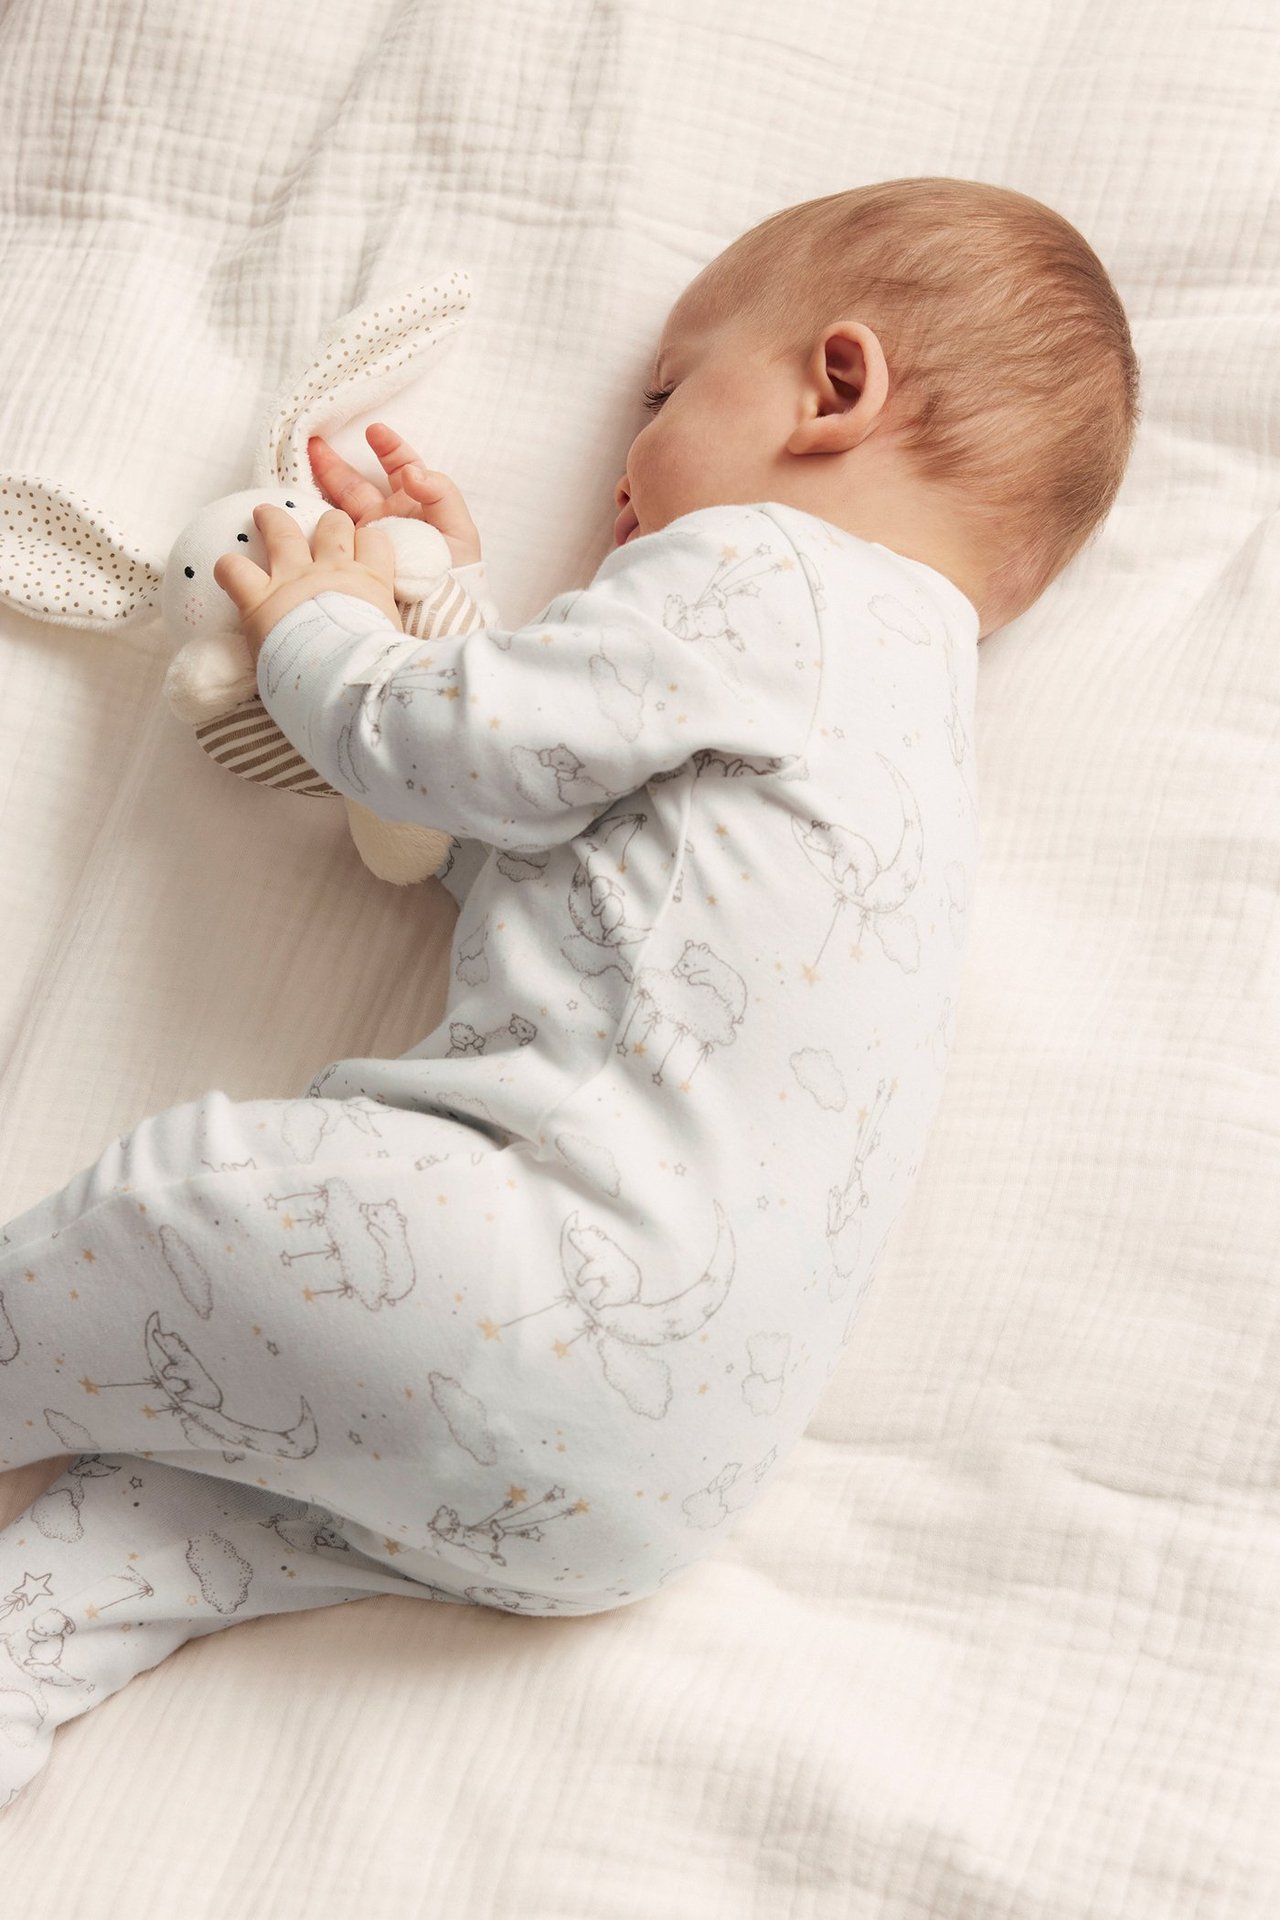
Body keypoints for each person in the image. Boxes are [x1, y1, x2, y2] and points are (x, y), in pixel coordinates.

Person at [0, 177, 1140, 1809]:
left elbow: (446, 748)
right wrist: (448, 610)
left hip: (536, 1281)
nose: (624, 459)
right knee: (136, 1536)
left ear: (837, 389)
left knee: (182, 1207)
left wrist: (330, 634)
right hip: (631, 1499)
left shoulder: (774, 571)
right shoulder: (918, 737)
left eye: (669, 394)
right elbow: (554, 878)